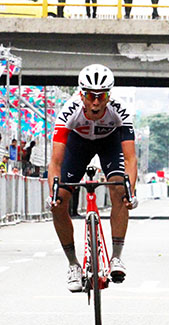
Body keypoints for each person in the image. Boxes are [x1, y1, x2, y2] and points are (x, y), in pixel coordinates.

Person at [47, 64, 138, 293]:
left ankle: (116, 258)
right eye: (90, 96)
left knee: (119, 191)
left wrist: (131, 190)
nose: (96, 102)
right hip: (78, 145)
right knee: (59, 202)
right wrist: (53, 193)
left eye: (102, 96)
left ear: (109, 95)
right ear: (81, 94)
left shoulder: (120, 111)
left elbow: (130, 160)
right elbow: (56, 163)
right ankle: (73, 265)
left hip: (110, 143)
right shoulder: (69, 111)